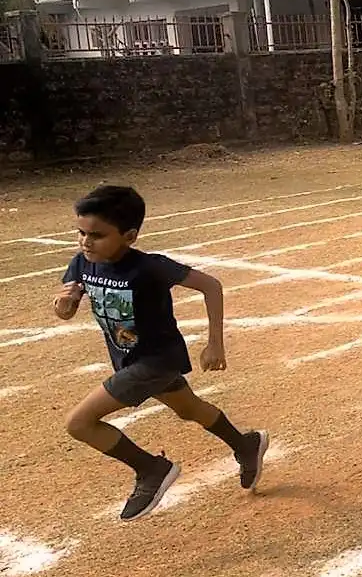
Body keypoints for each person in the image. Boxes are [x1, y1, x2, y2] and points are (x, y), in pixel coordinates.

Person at [54, 185, 267, 522]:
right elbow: (66, 309)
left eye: (97, 235)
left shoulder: (150, 267)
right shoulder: (82, 263)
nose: (85, 241)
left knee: (79, 423)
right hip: (131, 357)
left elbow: (211, 285)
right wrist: (64, 304)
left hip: (156, 360)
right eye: (81, 232)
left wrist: (215, 343)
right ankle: (245, 444)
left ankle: (151, 469)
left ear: (130, 236)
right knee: (189, 408)